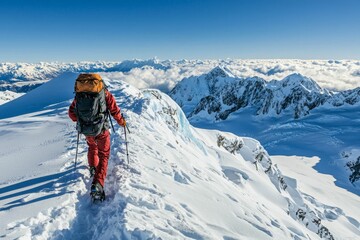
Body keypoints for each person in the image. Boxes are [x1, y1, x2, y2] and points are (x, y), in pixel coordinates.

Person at [68, 73, 126, 200]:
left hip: (87, 129)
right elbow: (114, 110)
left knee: (92, 147)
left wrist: (82, 120)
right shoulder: (104, 94)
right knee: (104, 154)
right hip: (102, 129)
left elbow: (71, 113)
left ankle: (93, 168)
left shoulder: (79, 96)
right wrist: (122, 122)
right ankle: (98, 184)